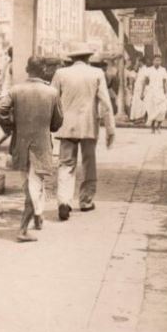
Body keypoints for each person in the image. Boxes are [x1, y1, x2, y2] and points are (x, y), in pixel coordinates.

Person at [0, 57, 63, 242]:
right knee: (35, 187)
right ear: (42, 69)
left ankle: (37, 216)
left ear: (27, 69)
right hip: (41, 146)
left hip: (20, 144)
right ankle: (23, 230)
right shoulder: (51, 92)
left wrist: (11, 126)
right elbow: (57, 122)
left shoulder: (16, 90)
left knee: (28, 184)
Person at [51, 45, 115, 220]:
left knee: (66, 164)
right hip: (88, 126)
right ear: (88, 58)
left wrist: (52, 125)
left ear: (72, 59)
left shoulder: (61, 74)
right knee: (89, 163)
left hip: (66, 126)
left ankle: (64, 202)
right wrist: (110, 129)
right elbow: (106, 104)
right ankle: (86, 201)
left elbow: (52, 100)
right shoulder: (96, 74)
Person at [142, 55, 167, 133]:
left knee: (162, 109)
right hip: (151, 92)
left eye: (159, 60)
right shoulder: (149, 70)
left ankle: (159, 126)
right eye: (156, 60)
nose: (157, 62)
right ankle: (153, 127)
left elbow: (164, 82)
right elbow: (145, 82)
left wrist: (166, 92)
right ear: (153, 61)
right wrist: (142, 93)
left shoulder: (163, 70)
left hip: (160, 92)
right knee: (152, 110)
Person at [129, 56, 148, 124]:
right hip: (137, 89)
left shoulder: (145, 69)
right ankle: (136, 118)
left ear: (141, 62)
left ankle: (141, 118)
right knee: (136, 103)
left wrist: (142, 92)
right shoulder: (140, 69)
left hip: (141, 89)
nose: (136, 63)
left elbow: (144, 81)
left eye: (137, 61)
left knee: (141, 104)